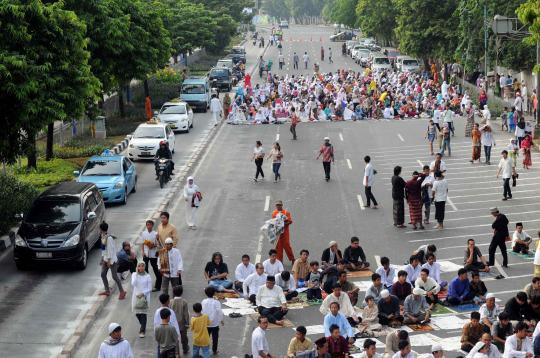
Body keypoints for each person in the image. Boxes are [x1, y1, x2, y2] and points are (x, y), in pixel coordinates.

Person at [99, 222, 126, 299]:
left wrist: (108, 261)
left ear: (101, 229)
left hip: (111, 260)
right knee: (103, 274)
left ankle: (122, 291)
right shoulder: (103, 236)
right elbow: (103, 249)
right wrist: (102, 258)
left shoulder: (109, 238)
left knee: (114, 276)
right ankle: (107, 290)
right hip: (105, 259)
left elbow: (110, 250)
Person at [140, 220, 161, 292]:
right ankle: (146, 284)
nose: (149, 226)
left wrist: (153, 245)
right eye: (147, 225)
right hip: (146, 253)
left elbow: (158, 244)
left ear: (152, 226)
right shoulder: (143, 233)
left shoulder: (155, 234)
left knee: (155, 268)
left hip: (153, 253)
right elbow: (142, 243)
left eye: (150, 225)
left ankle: (158, 286)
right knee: (144, 268)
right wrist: (142, 252)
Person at [131, 261, 152, 338]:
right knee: (137, 313)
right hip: (136, 296)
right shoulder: (134, 275)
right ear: (137, 267)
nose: (141, 267)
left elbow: (149, 288)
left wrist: (143, 293)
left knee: (143, 313)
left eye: (143, 266)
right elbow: (133, 284)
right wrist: (136, 274)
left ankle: (142, 330)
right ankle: (143, 325)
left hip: (144, 296)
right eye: (139, 266)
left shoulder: (148, 276)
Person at [201, 286, 224, 355]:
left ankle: (206, 350)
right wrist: (221, 320)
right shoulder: (216, 302)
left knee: (206, 337)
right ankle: (214, 350)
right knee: (215, 338)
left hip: (206, 323)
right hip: (215, 324)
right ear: (214, 293)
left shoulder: (203, 301)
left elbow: (202, 311)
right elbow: (219, 312)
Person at [171, 285, 190, 355]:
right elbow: (186, 314)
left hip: (173, 323)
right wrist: (187, 323)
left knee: (175, 339)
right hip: (182, 323)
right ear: (181, 292)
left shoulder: (171, 301)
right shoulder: (184, 302)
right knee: (184, 338)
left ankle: (177, 352)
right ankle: (185, 348)